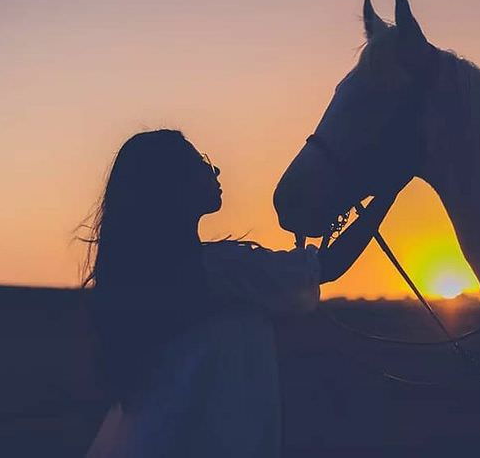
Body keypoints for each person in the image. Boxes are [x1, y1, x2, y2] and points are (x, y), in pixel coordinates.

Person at [82, 129, 407, 458]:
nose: (215, 170)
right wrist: (388, 192)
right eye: (201, 163)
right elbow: (327, 266)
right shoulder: (220, 269)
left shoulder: (150, 275)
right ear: (174, 185)